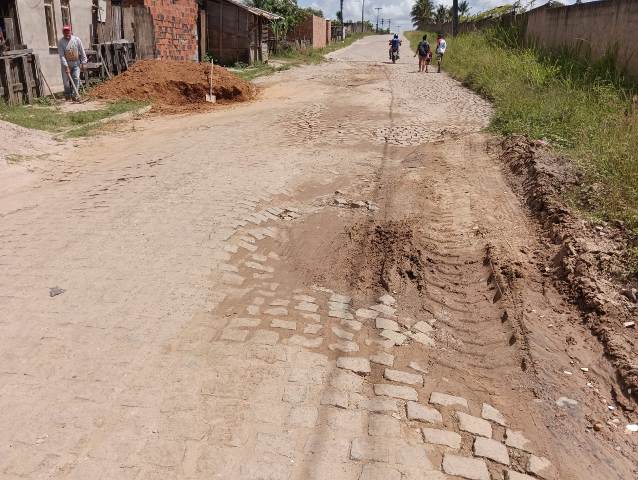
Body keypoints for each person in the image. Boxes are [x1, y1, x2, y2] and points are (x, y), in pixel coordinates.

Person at [58, 25, 87, 101]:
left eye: (68, 31)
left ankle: (75, 95)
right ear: (63, 33)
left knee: (76, 78)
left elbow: (82, 51)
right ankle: (67, 95)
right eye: (65, 32)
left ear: (71, 31)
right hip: (66, 64)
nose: (67, 33)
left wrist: (84, 62)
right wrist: (66, 66)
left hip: (76, 63)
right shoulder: (61, 42)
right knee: (66, 81)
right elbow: (61, 55)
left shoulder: (76, 40)